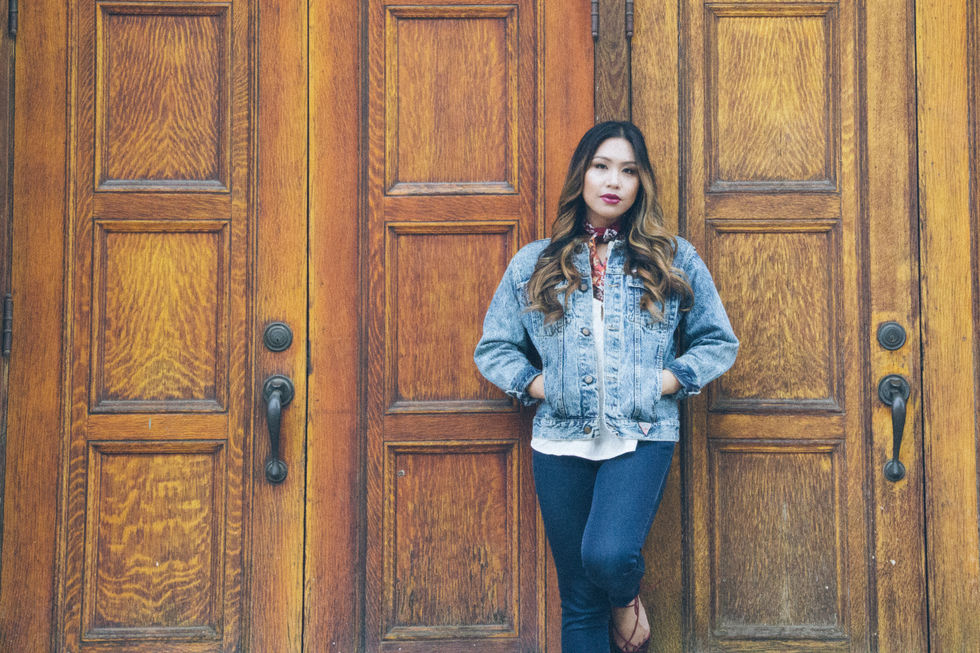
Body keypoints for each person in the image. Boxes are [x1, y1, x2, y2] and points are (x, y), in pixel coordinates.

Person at [474, 121, 738, 652]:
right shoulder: (536, 262)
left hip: (642, 432)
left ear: (642, 183)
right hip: (559, 440)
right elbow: (494, 348)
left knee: (609, 555)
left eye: (628, 170)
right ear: (582, 175)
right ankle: (608, 608)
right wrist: (543, 387)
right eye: (601, 166)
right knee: (578, 601)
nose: (614, 181)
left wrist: (660, 382)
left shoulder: (672, 258)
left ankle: (625, 598)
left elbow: (717, 342)